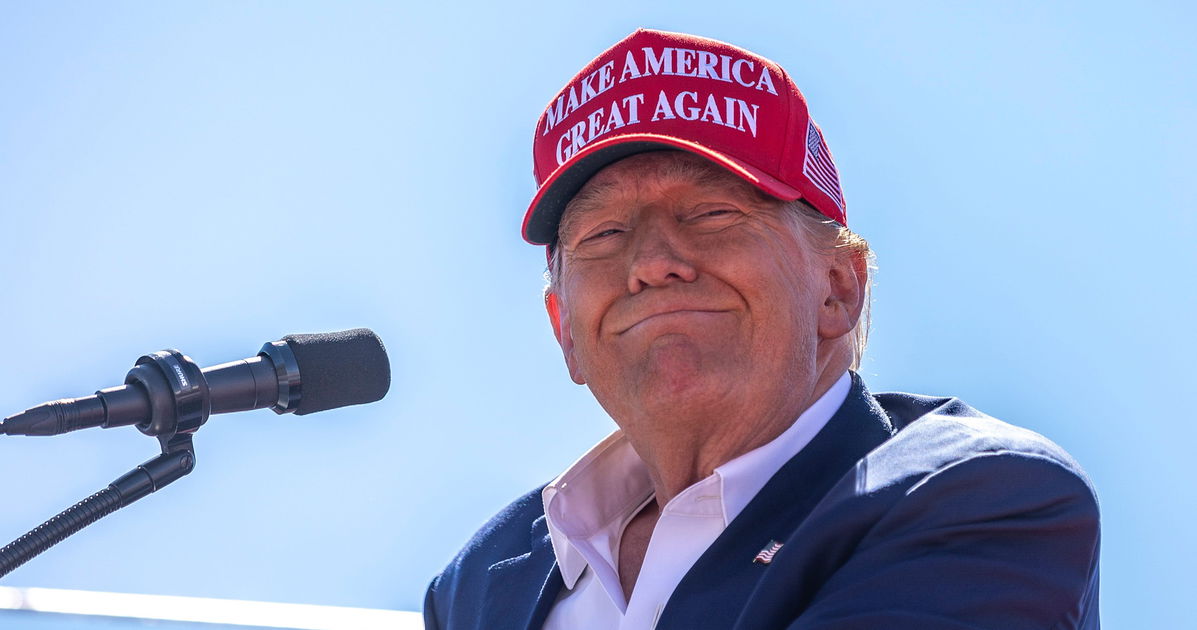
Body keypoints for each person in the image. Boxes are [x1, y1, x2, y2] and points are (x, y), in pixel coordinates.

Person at [424, 29, 1100, 630]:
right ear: (565, 330)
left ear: (837, 288)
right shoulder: (479, 582)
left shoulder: (978, 498)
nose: (652, 263)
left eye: (710, 213)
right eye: (603, 233)